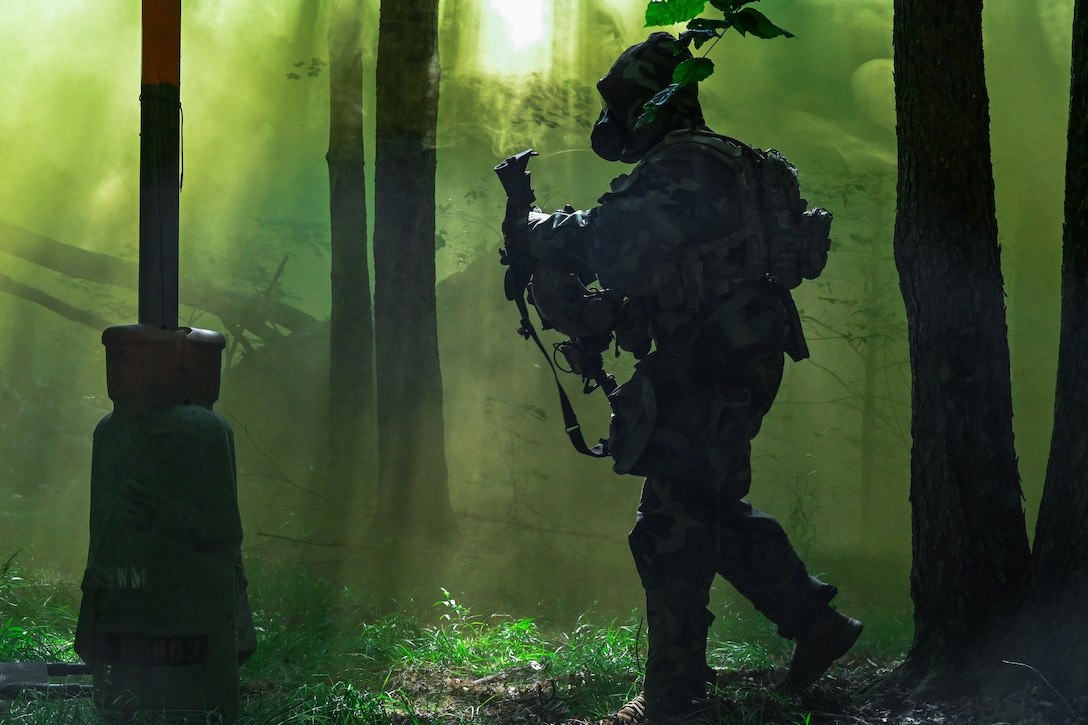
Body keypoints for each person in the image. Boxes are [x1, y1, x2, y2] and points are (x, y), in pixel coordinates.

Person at [515, 33, 863, 723]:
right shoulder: (726, 158)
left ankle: (677, 694)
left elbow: (610, 239)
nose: (615, 121)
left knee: (669, 523)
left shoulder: (687, 163)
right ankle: (812, 621)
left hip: (711, 356)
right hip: (730, 350)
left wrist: (536, 229)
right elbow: (657, 263)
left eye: (626, 104)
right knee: (705, 503)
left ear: (655, 105)